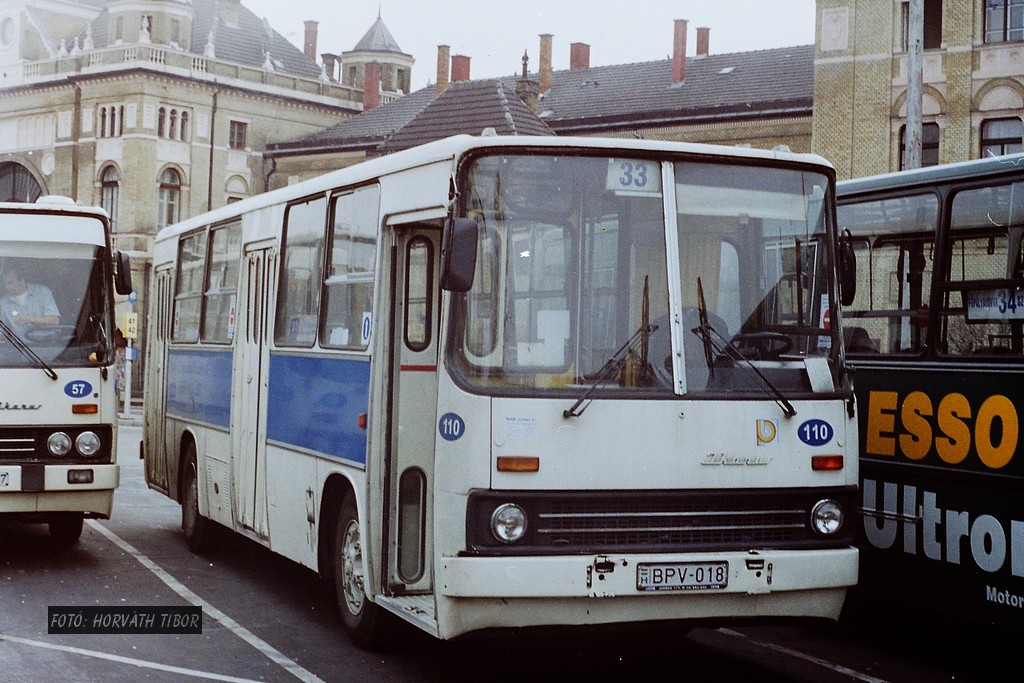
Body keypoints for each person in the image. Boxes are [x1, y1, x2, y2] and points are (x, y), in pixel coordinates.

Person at [0, 266, 60, 334]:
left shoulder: (42, 292)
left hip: (47, 343)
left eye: (10, 283)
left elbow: (54, 320)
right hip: (20, 344)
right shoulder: (3, 302)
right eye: (5, 283)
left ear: (21, 280)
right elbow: (3, 331)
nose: (6, 287)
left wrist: (30, 320)